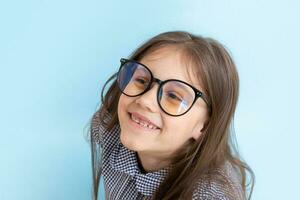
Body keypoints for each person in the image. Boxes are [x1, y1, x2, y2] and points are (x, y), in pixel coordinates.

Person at [89, 31, 254, 200]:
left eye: (174, 97)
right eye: (141, 80)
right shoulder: (108, 128)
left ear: (204, 126)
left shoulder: (211, 196)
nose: (145, 101)